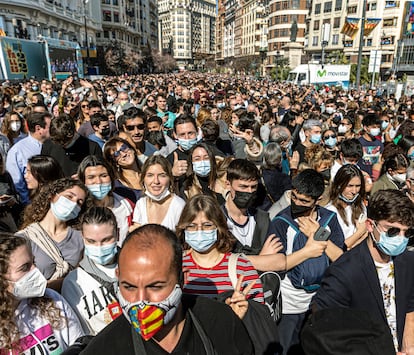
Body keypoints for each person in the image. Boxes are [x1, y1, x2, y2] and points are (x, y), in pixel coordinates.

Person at [80, 224, 254, 354]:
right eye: (129, 287)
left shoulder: (220, 321)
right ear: (118, 277)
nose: (141, 300)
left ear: (182, 278)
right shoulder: (104, 348)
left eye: (155, 286)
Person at [314, 190, 414, 353]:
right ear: (370, 225)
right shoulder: (343, 272)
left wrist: (409, 347)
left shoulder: (408, 261)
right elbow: (327, 335)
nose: (401, 239)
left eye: (408, 232)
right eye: (392, 231)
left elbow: (410, 306)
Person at [271, 169, 344, 355]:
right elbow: (276, 263)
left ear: (318, 200)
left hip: (319, 303)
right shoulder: (281, 221)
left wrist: (319, 235)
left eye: (304, 201)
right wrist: (307, 251)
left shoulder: (329, 220)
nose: (296, 203)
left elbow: (341, 260)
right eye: (294, 197)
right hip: (289, 304)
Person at [0, 233, 84, 354]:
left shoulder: (51, 299)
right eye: (24, 268)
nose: (35, 270)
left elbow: (80, 346)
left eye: (33, 262)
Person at [177, 195, 264, 305]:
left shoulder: (242, 267)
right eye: (192, 226)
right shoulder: (176, 265)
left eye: (207, 225)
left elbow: (258, 315)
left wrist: (242, 311)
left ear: (219, 227)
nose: (199, 231)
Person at [17, 178, 89, 288]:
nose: (73, 204)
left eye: (79, 202)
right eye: (69, 196)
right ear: (52, 196)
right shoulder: (24, 238)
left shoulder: (81, 237)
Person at [62, 207, 121, 335]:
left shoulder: (136, 265)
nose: (99, 247)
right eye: (91, 241)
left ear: (118, 234)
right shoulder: (73, 283)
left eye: (106, 240)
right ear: (83, 237)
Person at [77, 155, 134, 246]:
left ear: (111, 178)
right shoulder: (78, 210)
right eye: (91, 177)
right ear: (83, 181)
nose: (98, 181)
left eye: (103, 176)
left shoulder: (127, 206)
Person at [6, 111, 52, 205]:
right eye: (50, 127)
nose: (54, 129)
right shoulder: (17, 151)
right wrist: (28, 203)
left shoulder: (55, 146)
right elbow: (17, 183)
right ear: (38, 128)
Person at [131, 155, 185, 232]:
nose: (156, 181)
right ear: (143, 179)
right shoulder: (141, 204)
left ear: (169, 178)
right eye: (150, 175)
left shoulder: (179, 205)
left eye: (162, 175)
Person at [326, 164, 367, 249]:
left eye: (358, 186)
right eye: (350, 186)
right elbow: (338, 248)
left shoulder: (360, 205)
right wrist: (359, 233)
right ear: (339, 185)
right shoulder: (330, 211)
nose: (354, 191)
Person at [103, 137, 142, 203]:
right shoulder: (117, 188)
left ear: (132, 149)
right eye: (116, 154)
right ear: (115, 163)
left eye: (124, 148)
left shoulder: (151, 173)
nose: (123, 154)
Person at [258, 142, 292, 211]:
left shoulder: (258, 175)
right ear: (280, 159)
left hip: (260, 212)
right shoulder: (284, 179)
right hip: (278, 213)